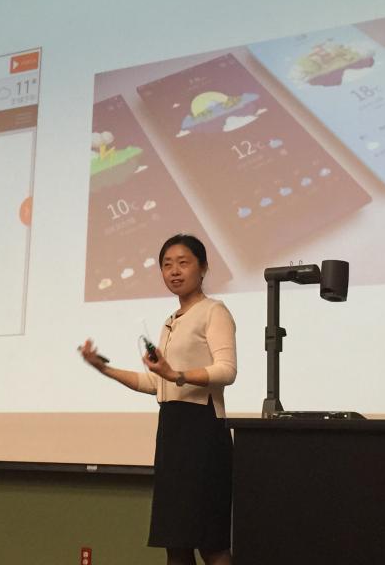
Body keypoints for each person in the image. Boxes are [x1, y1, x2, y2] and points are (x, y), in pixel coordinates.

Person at [79, 234, 236, 565]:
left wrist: (176, 374)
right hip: (172, 432)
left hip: (203, 431)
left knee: (210, 541)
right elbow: (155, 382)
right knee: (175, 542)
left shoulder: (214, 311)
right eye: (167, 265)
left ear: (203, 268)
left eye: (183, 263)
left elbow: (226, 371)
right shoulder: (170, 321)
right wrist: (102, 368)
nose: (174, 271)